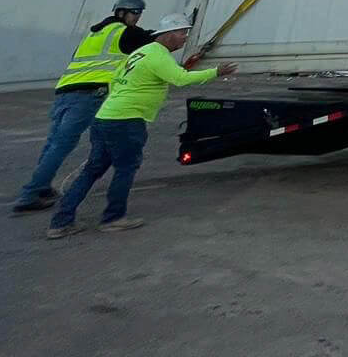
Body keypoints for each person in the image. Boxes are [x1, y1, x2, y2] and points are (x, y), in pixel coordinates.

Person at [45, 13, 235, 239]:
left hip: (106, 117)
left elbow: (114, 80)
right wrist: (215, 72)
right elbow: (181, 79)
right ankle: (113, 218)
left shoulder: (139, 52)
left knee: (93, 169)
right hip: (127, 121)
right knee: (126, 168)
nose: (185, 38)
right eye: (182, 33)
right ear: (168, 35)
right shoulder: (158, 55)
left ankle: (61, 222)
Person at [12, 0, 157, 213]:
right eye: (136, 13)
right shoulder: (125, 32)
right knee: (62, 145)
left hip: (65, 92)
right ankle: (29, 194)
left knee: (54, 143)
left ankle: (42, 187)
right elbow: (154, 42)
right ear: (123, 13)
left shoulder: (95, 32)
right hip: (89, 95)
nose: (137, 18)